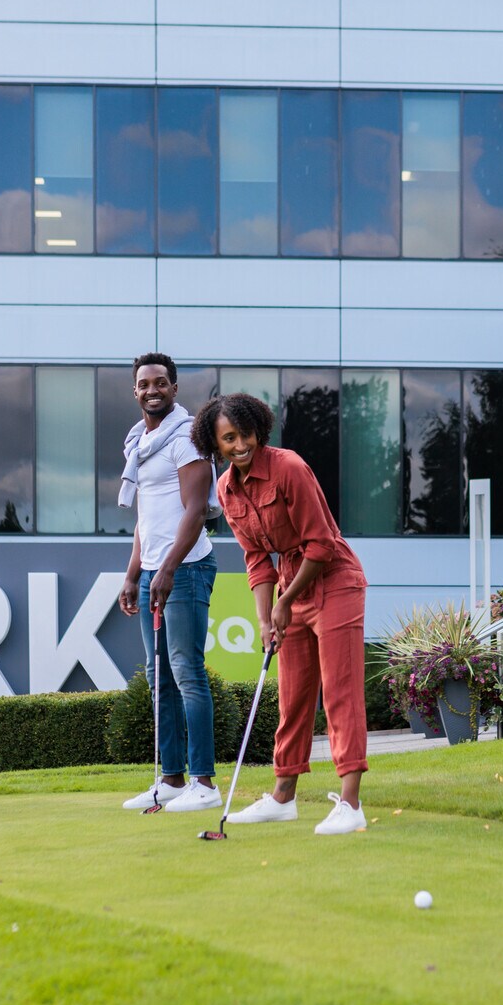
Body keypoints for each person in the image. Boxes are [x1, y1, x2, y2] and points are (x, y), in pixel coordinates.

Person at [192, 393, 370, 835]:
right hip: (292, 584)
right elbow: (256, 560)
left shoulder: (288, 467)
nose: (240, 445)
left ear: (258, 430)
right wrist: (265, 618)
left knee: (340, 692)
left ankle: (351, 804)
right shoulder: (226, 489)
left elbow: (321, 544)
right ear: (215, 445)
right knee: (293, 697)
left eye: (245, 434)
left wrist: (284, 602)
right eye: (228, 439)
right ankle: (283, 798)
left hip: (334, 579)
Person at [116, 352, 221, 814]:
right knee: (159, 677)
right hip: (153, 571)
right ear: (135, 391)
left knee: (187, 672)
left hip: (187, 569)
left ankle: (204, 783)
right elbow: (148, 516)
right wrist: (133, 573)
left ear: (174, 389)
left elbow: (195, 512)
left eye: (160, 382)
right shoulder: (139, 441)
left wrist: (169, 569)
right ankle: (172, 779)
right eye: (144, 384)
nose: (152, 390)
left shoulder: (187, 437)